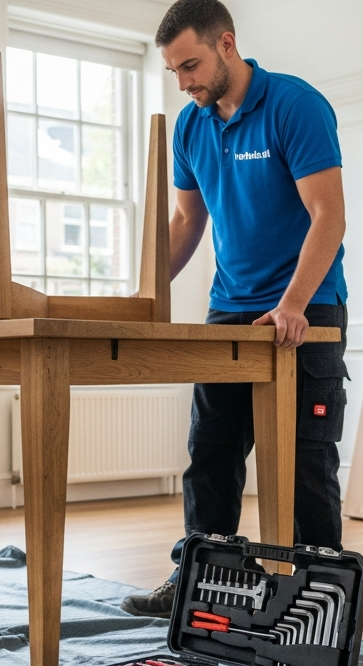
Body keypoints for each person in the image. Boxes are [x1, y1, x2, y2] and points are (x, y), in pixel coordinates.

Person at [121, 0, 349, 617]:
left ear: (227, 45)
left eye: (190, 65)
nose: (184, 82)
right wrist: (144, 295)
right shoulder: (191, 125)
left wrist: (294, 303)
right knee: (212, 455)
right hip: (230, 310)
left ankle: (318, 598)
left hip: (308, 306)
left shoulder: (293, 105)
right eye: (174, 71)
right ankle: (199, 580)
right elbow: (188, 221)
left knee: (305, 461)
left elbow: (329, 215)